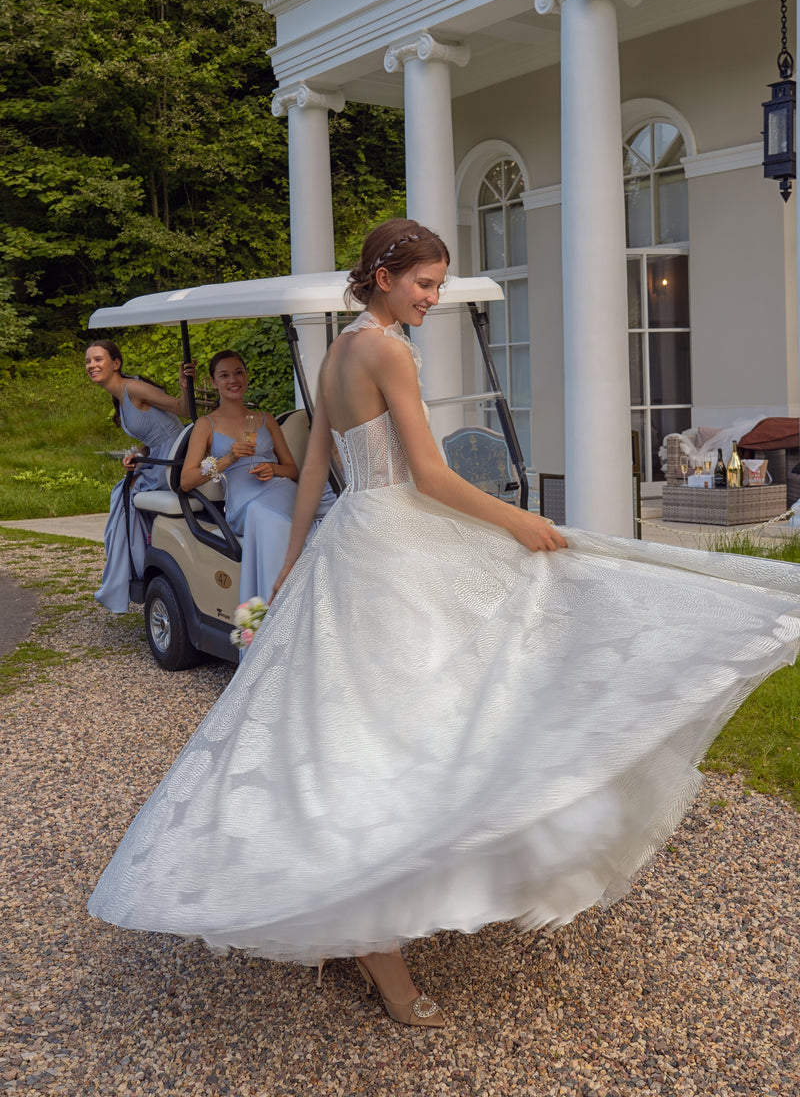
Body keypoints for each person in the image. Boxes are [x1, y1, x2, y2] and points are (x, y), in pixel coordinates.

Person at [89, 220, 800, 1029]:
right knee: (426, 712)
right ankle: (377, 943)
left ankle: (338, 902)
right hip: (394, 539)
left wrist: (294, 560)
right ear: (386, 276)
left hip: (354, 536)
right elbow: (425, 474)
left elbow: (320, 463)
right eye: (425, 284)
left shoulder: (337, 350)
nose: (433, 297)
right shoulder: (385, 350)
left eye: (437, 285)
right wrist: (514, 521)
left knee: (356, 727)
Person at [179, 350, 334, 603]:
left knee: (320, 506)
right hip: (246, 502)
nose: (233, 380)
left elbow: (292, 470)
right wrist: (228, 458)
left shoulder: (263, 420)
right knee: (267, 516)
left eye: (239, 372)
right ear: (213, 381)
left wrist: (273, 469)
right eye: (224, 375)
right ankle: (283, 604)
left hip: (281, 489)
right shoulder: (206, 425)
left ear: (247, 376)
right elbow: (186, 480)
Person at [86, 340, 195, 614]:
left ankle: (134, 567)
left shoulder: (133, 388)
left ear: (116, 363)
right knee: (122, 493)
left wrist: (184, 385)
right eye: (88, 361)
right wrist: (138, 454)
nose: (92, 366)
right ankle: (131, 566)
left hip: (174, 459)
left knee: (126, 496)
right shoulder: (120, 398)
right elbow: (151, 436)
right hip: (156, 458)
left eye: (98, 359)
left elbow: (183, 411)